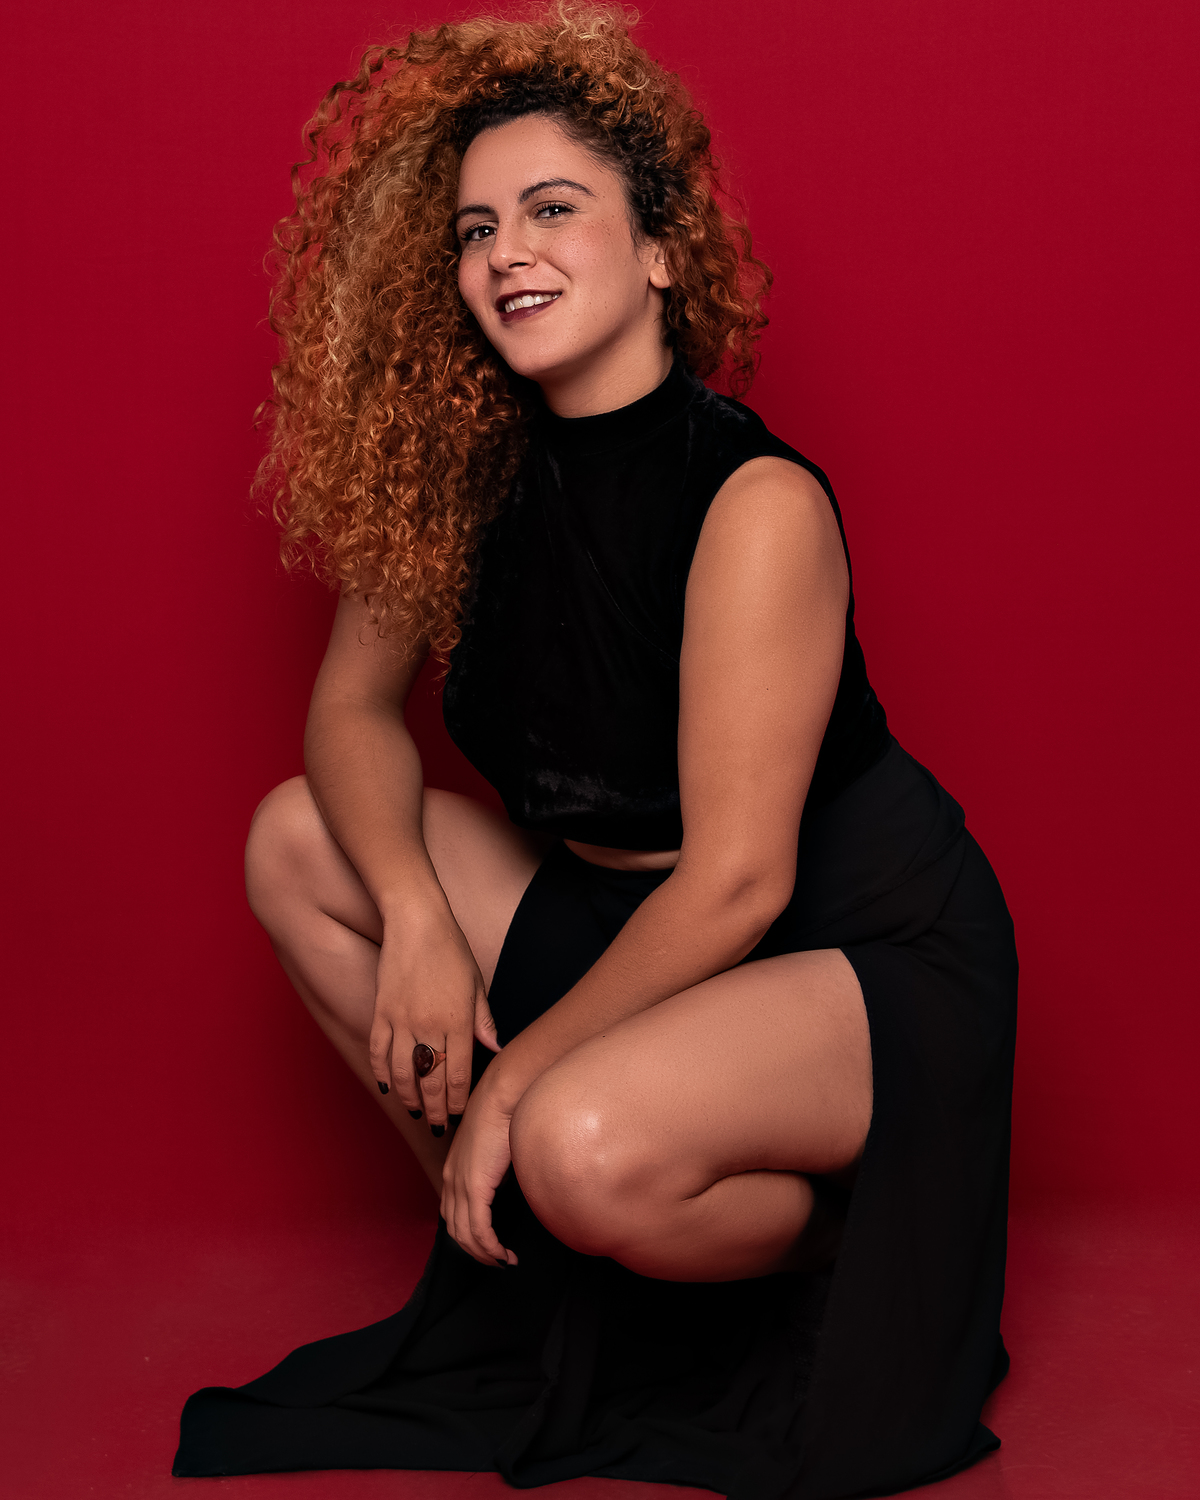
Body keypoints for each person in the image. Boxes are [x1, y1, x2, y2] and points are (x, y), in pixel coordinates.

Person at [174, 6, 1018, 1497]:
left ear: (663, 251)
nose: (507, 252)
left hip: (844, 943)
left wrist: (512, 1086)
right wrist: (418, 918)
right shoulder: (456, 478)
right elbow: (350, 712)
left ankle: (836, 1234)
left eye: (553, 209)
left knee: (573, 1139)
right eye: (476, 229)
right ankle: (539, 1226)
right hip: (615, 910)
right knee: (298, 839)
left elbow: (742, 879)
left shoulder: (753, 501)